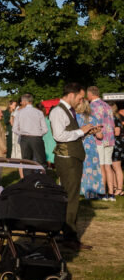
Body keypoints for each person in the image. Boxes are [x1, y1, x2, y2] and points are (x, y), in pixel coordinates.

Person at [50, 82, 100, 250]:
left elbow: (69, 136)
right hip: (67, 159)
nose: (81, 101)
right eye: (80, 98)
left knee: (69, 198)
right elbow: (59, 135)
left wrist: (86, 132)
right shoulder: (58, 111)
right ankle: (69, 238)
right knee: (71, 199)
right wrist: (81, 131)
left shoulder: (68, 111)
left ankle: (63, 234)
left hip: (72, 157)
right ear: (71, 95)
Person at [88, 87, 116, 200]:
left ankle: (102, 192)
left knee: (101, 167)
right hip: (110, 138)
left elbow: (95, 124)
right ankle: (111, 193)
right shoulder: (107, 105)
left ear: (90, 94)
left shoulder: (93, 106)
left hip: (100, 139)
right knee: (108, 166)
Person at [78, 98, 105, 200]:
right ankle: (93, 191)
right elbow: (100, 136)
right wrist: (96, 131)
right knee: (92, 170)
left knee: (79, 169)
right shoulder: (93, 118)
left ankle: (79, 190)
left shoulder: (75, 118)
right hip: (91, 147)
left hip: (79, 145)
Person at [13, 94, 48, 167]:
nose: (21, 103)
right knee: (41, 161)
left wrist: (22, 133)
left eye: (22, 101)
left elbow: (14, 129)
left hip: (24, 139)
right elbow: (45, 129)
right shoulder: (39, 112)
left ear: (25, 102)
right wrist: (38, 134)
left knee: (26, 163)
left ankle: (28, 178)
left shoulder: (19, 112)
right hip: (37, 138)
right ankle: (41, 177)